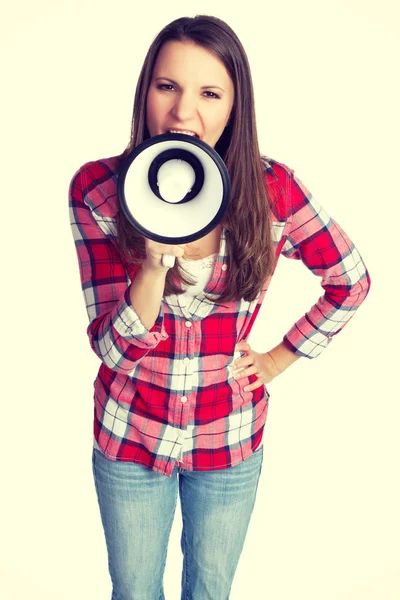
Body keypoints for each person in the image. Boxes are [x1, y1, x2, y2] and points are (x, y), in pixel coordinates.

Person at [69, 14, 370, 600]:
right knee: (134, 593)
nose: (184, 114)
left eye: (210, 93)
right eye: (168, 87)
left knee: (210, 593)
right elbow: (111, 349)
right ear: (146, 91)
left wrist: (279, 360)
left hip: (228, 439)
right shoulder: (99, 190)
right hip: (131, 436)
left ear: (235, 105)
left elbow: (350, 279)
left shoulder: (273, 190)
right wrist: (154, 266)